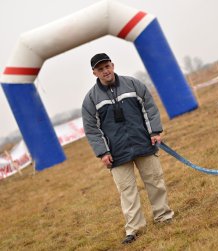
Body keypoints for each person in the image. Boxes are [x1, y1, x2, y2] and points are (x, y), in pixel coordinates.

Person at [82, 53, 174, 244]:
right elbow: (92, 129)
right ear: (94, 73)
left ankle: (163, 216)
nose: (105, 71)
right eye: (100, 69)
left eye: (107, 66)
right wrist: (103, 152)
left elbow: (149, 108)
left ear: (113, 65)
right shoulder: (91, 99)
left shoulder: (133, 85)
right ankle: (134, 229)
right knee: (127, 191)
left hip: (143, 143)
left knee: (155, 181)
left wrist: (154, 132)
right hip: (116, 153)